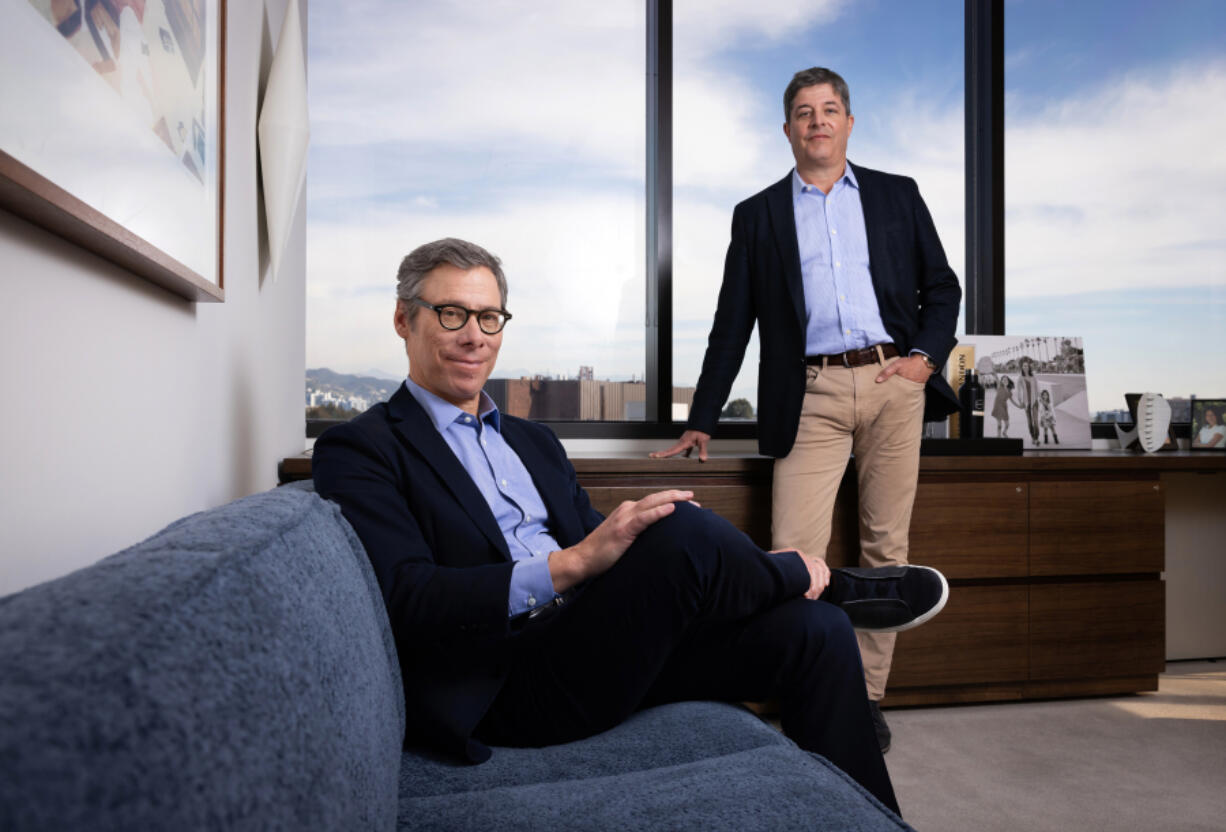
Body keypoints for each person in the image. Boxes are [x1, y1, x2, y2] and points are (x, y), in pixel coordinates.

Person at [314, 237, 952, 817]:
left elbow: (604, 544)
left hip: (598, 643)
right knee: (686, 533)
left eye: (488, 318)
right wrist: (575, 564)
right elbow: (406, 597)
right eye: (451, 313)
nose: (474, 335)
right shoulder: (363, 448)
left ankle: (873, 818)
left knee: (813, 628)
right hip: (507, 682)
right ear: (404, 319)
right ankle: (827, 579)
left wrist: (641, 549)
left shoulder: (534, 442)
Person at [653, 67, 961, 752]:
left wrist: (922, 361)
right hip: (809, 393)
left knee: (886, 549)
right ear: (787, 129)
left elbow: (943, 288)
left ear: (849, 122)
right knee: (794, 552)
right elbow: (732, 324)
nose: (817, 121)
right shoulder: (758, 214)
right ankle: (808, 686)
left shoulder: (896, 196)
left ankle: (866, 698)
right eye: (803, 112)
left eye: (829, 110)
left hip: (891, 382)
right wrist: (702, 417)